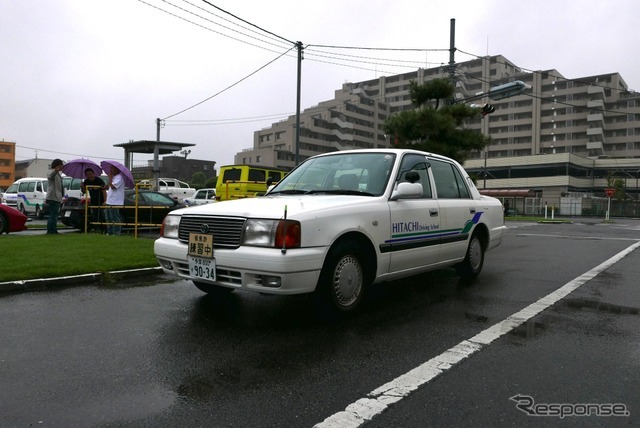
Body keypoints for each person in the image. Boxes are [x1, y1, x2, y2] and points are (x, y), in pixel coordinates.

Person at [81, 168, 107, 232]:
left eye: (91, 174)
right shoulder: (86, 182)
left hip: (101, 201)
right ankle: (96, 229)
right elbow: (84, 192)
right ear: (86, 175)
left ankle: (104, 229)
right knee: (94, 216)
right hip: (93, 202)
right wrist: (82, 186)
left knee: (102, 216)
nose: (90, 176)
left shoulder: (99, 180)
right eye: (88, 174)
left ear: (93, 174)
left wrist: (105, 201)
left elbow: (104, 191)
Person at [45, 158, 65, 234]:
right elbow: (50, 176)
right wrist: (55, 170)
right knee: (53, 215)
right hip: (53, 197)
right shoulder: (51, 172)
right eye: (60, 166)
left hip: (57, 197)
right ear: (56, 165)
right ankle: (51, 230)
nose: (61, 167)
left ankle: (53, 230)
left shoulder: (58, 174)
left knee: (54, 214)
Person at [105, 165, 125, 235]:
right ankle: (110, 232)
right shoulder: (114, 177)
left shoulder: (120, 177)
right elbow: (110, 186)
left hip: (115, 202)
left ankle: (116, 233)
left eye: (112, 169)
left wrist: (110, 178)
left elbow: (113, 187)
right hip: (109, 201)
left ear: (117, 169)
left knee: (115, 218)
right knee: (108, 218)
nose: (111, 170)